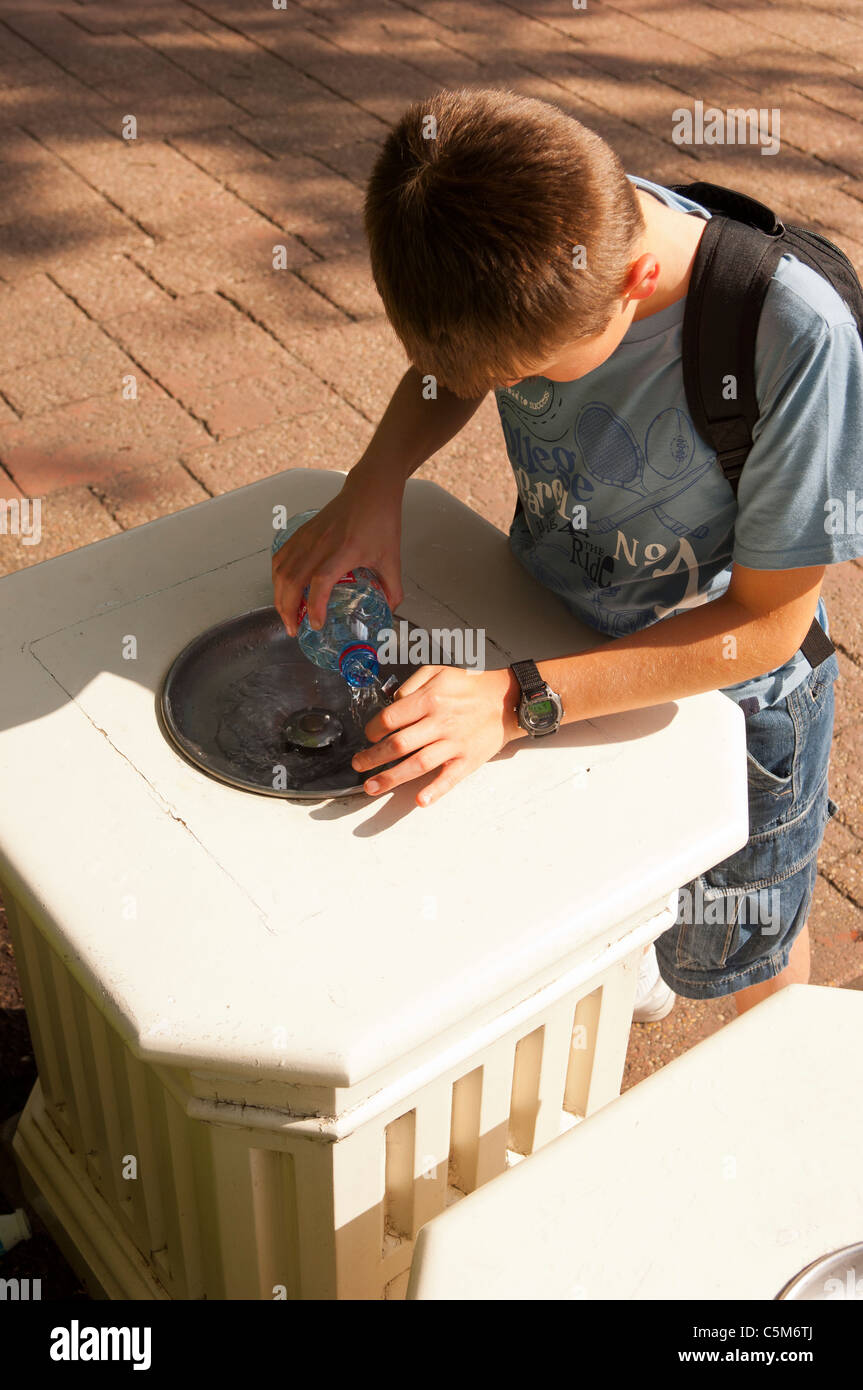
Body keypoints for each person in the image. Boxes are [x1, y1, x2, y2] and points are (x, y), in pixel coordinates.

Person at [272, 88, 863, 1023]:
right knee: (594, 889)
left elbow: (762, 628)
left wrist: (515, 700)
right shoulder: (543, 222)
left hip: (723, 707)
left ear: (630, 281)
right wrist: (371, 487)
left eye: (527, 374)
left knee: (746, 953)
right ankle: (635, 938)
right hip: (550, 630)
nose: (502, 392)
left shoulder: (797, 337)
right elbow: (449, 369)